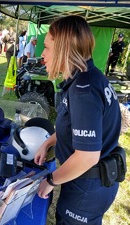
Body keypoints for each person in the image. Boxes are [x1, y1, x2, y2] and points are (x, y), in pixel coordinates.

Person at [34, 15, 121, 225]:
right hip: (89, 181)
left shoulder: (84, 91)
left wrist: (51, 180)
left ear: (63, 48)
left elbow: (87, 157)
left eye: (46, 47)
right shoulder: (87, 77)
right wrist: (48, 142)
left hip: (87, 185)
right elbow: (76, 128)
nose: (42, 55)